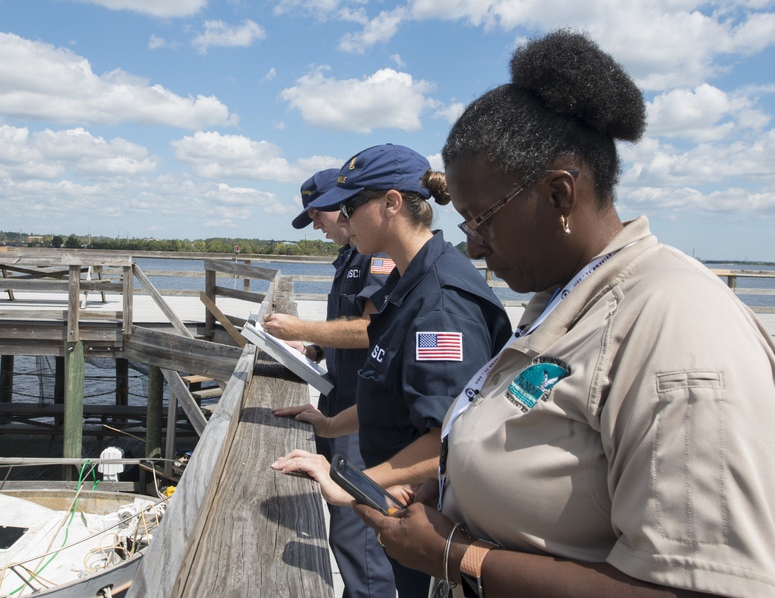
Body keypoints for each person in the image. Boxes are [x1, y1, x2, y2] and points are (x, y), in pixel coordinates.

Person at [353, 30, 775, 598]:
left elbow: (700, 587)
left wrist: (460, 556)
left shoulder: (676, 327)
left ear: (559, 195)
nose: (472, 247)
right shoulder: (561, 300)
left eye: (482, 220)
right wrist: (458, 495)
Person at [272, 144, 512, 598]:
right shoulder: (409, 283)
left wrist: (356, 480)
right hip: (405, 495)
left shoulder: (439, 303)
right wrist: (328, 423)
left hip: (432, 514)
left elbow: (452, 436)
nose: (342, 218)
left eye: (350, 205)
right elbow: (390, 392)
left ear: (391, 204)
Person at [263, 169, 397, 597]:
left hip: (362, 410)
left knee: (357, 527)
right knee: (344, 524)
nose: (316, 227)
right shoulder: (348, 256)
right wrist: (315, 350)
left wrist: (303, 327)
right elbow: (345, 330)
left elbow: (371, 329)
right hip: (339, 400)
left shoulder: (375, 257)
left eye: (317, 216)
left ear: (344, 207)